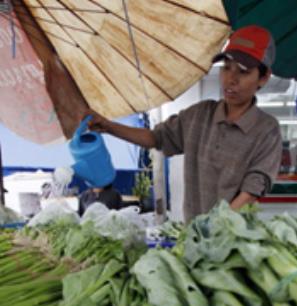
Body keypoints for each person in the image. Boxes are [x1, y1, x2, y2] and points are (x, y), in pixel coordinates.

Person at [84, 25, 282, 222]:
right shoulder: (200, 115)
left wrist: (216, 228)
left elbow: (251, 191)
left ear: (263, 78)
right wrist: (109, 126)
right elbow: (156, 138)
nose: (231, 79)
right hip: (194, 234)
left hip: (234, 241)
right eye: (226, 68)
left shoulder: (266, 130)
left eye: (243, 72)